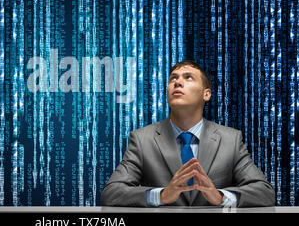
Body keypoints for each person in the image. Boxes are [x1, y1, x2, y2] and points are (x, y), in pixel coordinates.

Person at [101, 60, 276, 207]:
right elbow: (111, 193)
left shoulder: (230, 139)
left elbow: (265, 193)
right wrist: (161, 196)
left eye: (188, 78)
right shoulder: (142, 139)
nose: (177, 82)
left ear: (206, 94)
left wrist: (221, 197)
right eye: (173, 79)